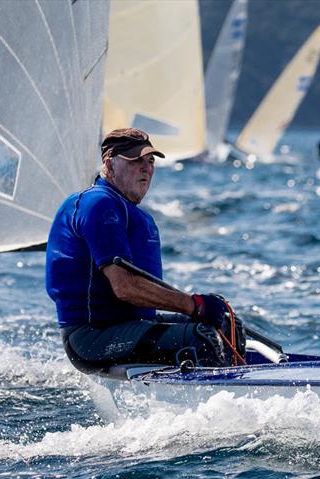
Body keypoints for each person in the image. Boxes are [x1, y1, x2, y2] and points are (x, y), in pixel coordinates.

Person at [45, 128, 243, 374]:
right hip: (90, 338)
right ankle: (219, 401)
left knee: (228, 326)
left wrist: (200, 307)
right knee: (201, 337)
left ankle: (244, 388)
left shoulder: (135, 215)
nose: (146, 168)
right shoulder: (98, 204)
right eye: (135, 160)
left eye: (150, 161)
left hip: (132, 325)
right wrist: (194, 306)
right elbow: (125, 288)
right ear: (109, 164)